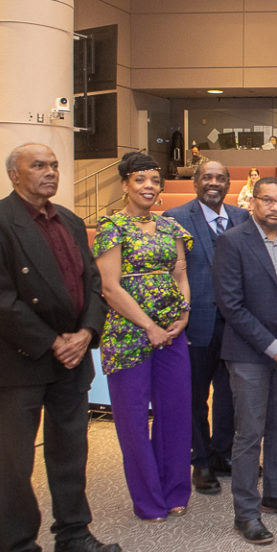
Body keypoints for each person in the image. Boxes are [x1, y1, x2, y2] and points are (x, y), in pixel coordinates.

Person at [0, 143, 121, 552]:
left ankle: (72, 537)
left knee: (70, 452)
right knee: (16, 465)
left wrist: (87, 333)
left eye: (53, 165)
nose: (50, 172)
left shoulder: (70, 221)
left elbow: (93, 283)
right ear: (15, 175)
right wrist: (55, 342)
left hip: (72, 358)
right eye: (39, 166)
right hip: (22, 359)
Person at [213, 176, 277, 545]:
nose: (275, 207)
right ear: (253, 203)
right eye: (268, 201)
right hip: (250, 354)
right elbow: (231, 305)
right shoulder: (231, 242)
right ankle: (247, 512)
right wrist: (273, 346)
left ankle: (275, 494)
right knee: (249, 432)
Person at [92, 152, 194, 521]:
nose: (149, 186)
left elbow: (181, 275)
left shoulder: (171, 228)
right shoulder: (111, 227)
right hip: (127, 334)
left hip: (172, 332)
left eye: (154, 180)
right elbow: (109, 287)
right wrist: (148, 326)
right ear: (125, 185)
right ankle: (148, 499)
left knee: (176, 413)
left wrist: (183, 314)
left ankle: (175, 489)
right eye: (140, 180)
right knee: (134, 419)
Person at [165, 161, 249, 496]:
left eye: (219, 178)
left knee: (230, 395)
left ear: (229, 183)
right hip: (195, 321)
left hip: (236, 324)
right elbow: (171, 273)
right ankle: (199, 461)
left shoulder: (243, 217)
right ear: (196, 182)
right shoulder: (175, 218)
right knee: (195, 396)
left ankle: (221, 453)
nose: (213, 183)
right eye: (206, 177)